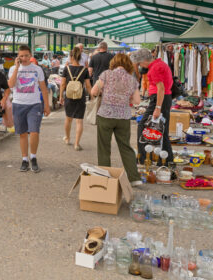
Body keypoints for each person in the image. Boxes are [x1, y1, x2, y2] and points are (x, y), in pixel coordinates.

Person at [90, 53, 141, 184]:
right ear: (128, 65)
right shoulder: (132, 79)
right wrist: (126, 97)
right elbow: (136, 101)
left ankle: (104, 177)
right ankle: (134, 178)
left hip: (105, 115)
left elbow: (94, 92)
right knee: (125, 147)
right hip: (123, 117)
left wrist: (104, 92)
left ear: (113, 63)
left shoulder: (106, 74)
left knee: (104, 148)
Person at [8, 45, 51, 173]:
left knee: (34, 131)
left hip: (34, 104)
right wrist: (16, 67)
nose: (24, 58)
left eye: (26, 55)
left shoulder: (37, 69)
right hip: (18, 104)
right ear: (18, 57)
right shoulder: (12, 69)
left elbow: (43, 88)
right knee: (22, 133)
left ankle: (33, 157)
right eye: (21, 56)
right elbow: (10, 85)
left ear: (30, 55)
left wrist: (46, 105)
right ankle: (24, 159)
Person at [131, 48, 174, 164]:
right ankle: (165, 159)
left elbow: (161, 88)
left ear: (144, 60)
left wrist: (157, 108)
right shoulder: (160, 64)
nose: (140, 65)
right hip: (163, 98)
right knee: (162, 129)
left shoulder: (154, 69)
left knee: (143, 125)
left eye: (139, 63)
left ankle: (144, 157)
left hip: (159, 99)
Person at [60, 46, 92, 151]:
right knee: (79, 121)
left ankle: (68, 138)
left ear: (71, 56)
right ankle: (77, 144)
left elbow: (63, 84)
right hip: (80, 96)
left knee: (68, 119)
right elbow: (87, 85)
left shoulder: (66, 68)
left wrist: (61, 96)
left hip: (69, 96)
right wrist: (91, 95)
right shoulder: (84, 70)